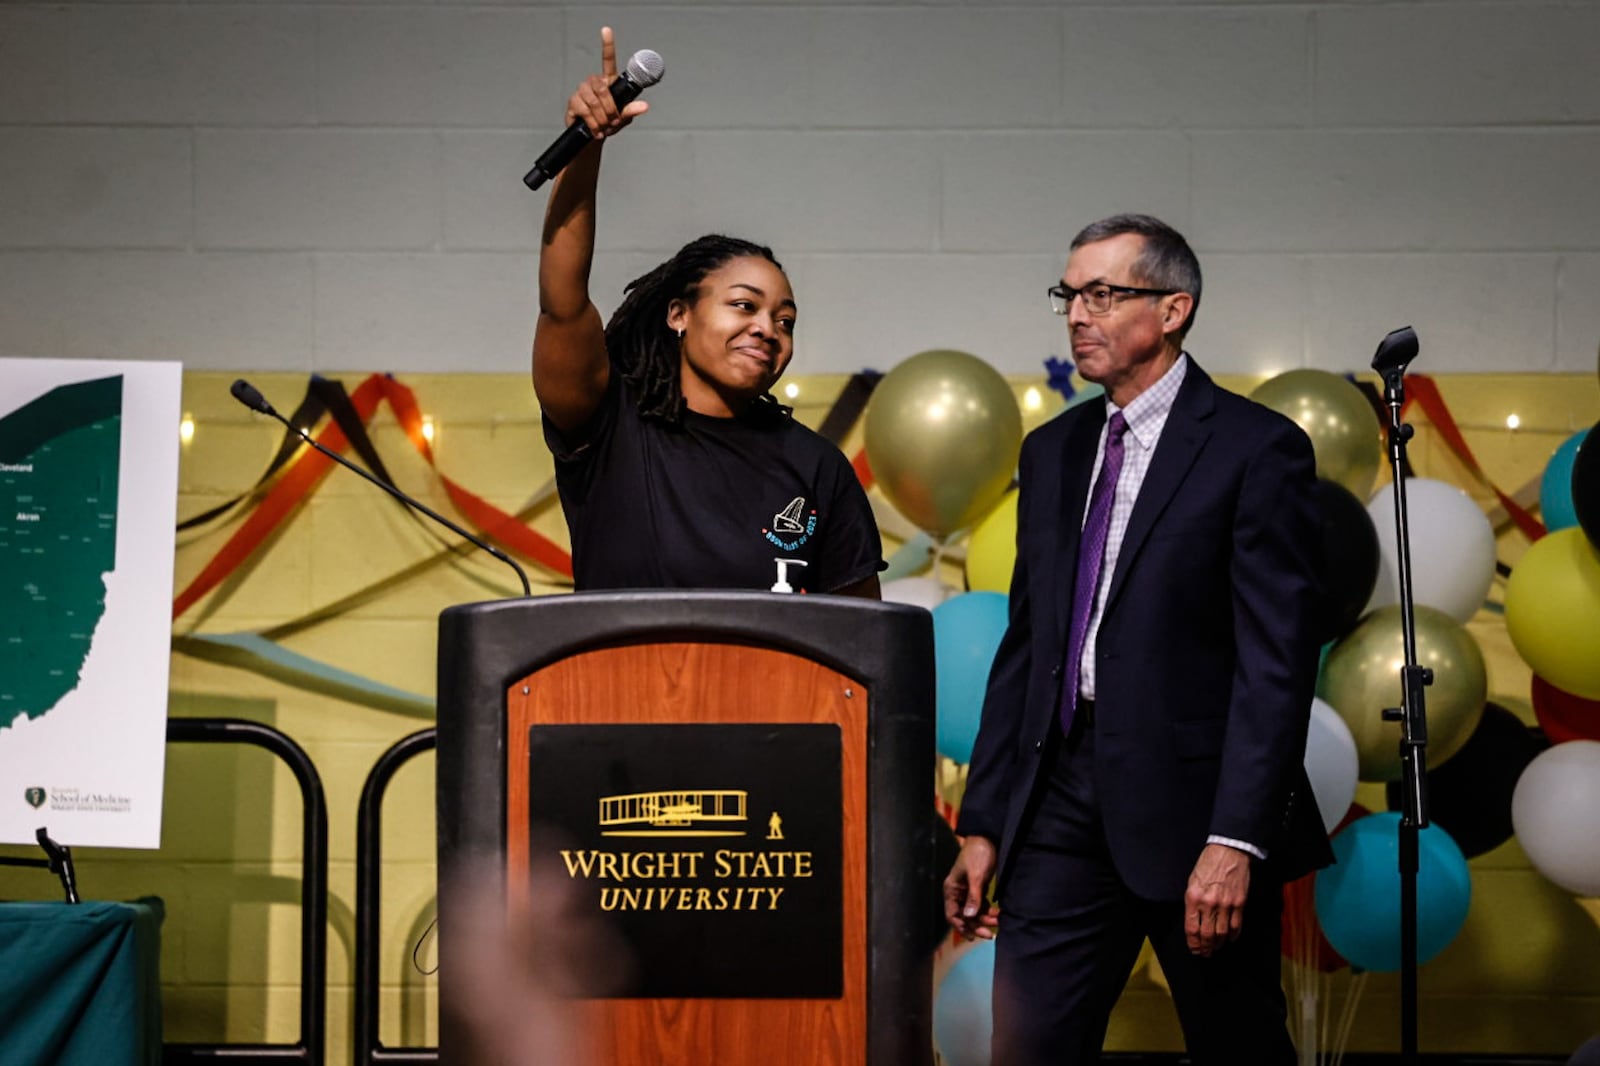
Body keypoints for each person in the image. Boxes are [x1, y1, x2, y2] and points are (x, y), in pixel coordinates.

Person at [942, 214, 1332, 1064]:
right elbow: (1026, 651)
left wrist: (1235, 841)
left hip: (1197, 810)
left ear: (1173, 309)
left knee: (1238, 1047)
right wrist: (983, 824)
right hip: (1059, 802)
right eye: (1069, 295)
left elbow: (1277, 665)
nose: (1078, 314)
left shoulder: (1256, 449)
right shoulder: (1052, 451)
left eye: (1104, 294)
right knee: (1028, 1046)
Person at [533, 28, 883, 597]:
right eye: (744, 305)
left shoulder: (816, 468)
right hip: (617, 688)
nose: (767, 329)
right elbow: (563, 300)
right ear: (679, 314)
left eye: (785, 320)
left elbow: (865, 644)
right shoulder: (610, 426)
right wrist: (586, 146)